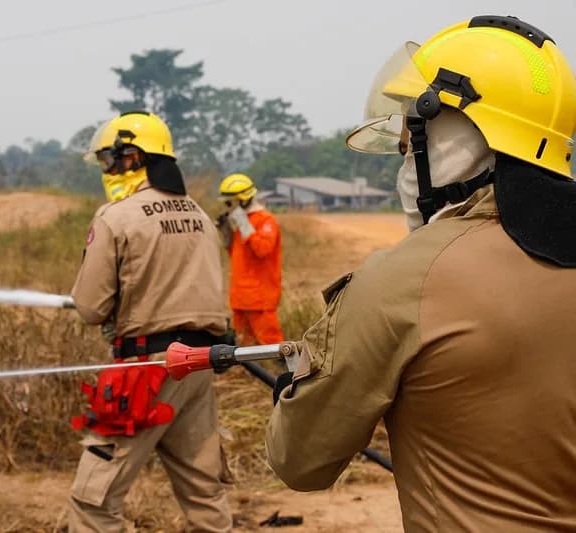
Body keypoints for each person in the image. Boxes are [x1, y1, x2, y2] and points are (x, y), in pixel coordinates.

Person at [266, 15, 576, 532]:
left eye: (412, 138)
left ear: (453, 132)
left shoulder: (403, 280)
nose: (406, 160)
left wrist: (297, 387)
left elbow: (300, 462)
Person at [68, 110, 233, 532]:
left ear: (132, 157)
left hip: (144, 371)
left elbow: (90, 307)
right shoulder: (198, 215)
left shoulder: (116, 217)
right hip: (197, 370)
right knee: (205, 497)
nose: (106, 170)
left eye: (109, 160)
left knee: (94, 502)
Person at [216, 173, 284, 345]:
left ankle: (282, 372)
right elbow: (238, 257)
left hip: (260, 298)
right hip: (240, 298)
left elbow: (262, 250)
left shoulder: (265, 220)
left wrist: (242, 221)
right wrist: (226, 232)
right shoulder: (244, 223)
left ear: (243, 200)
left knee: (271, 346)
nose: (228, 206)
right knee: (244, 347)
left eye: (230, 202)